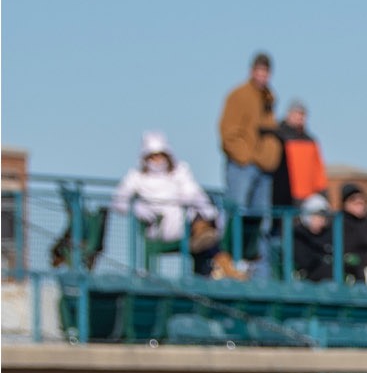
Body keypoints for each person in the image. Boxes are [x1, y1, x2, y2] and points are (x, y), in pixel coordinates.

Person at [110, 132, 221, 276]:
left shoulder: (180, 171)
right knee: (204, 232)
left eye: (160, 156)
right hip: (159, 227)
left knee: (210, 226)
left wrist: (207, 210)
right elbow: (118, 200)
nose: (157, 160)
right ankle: (221, 264)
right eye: (153, 156)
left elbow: (193, 192)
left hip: (187, 221)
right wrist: (138, 209)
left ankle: (216, 265)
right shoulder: (136, 177)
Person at [217, 51, 281, 274]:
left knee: (261, 221)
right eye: (259, 71)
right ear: (252, 71)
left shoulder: (269, 99)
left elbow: (269, 133)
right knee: (237, 214)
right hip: (243, 166)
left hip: (264, 169)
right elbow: (228, 132)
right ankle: (229, 265)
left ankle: (258, 271)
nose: (263, 76)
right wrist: (245, 157)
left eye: (266, 71)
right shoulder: (239, 96)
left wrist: (270, 157)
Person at [270, 98, 328, 211]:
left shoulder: (311, 141)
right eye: (297, 113)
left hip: (307, 194)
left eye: (303, 114)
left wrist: (321, 190)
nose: (300, 117)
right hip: (283, 191)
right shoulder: (278, 136)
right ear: (288, 114)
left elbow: (317, 168)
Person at [337, 183, 367, 282]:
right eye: (355, 201)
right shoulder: (340, 223)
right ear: (345, 203)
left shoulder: (366, 223)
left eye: (362, 201)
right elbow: (347, 252)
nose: (360, 205)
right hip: (355, 269)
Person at [290, 194, 334, 281]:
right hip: (308, 278)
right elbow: (305, 261)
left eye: (323, 216)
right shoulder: (298, 234)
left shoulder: (329, 233)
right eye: (317, 216)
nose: (321, 220)